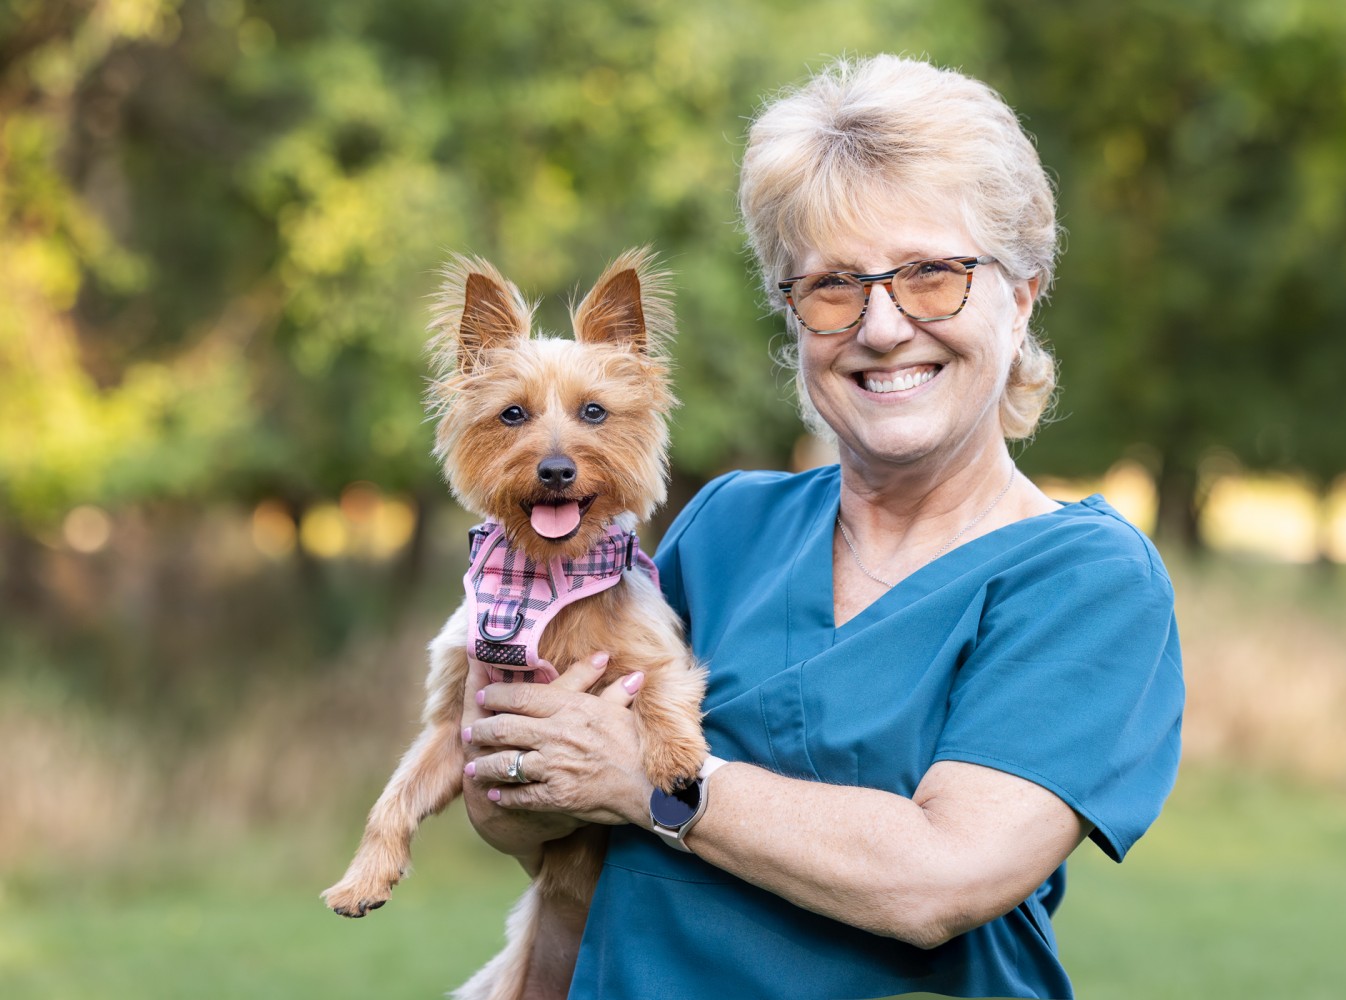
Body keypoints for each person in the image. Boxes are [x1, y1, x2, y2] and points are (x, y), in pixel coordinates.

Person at [459, 54, 1183, 1000]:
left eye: (932, 274)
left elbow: (941, 877)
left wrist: (652, 783)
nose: (881, 327)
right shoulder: (724, 527)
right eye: (833, 286)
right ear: (794, 318)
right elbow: (531, 818)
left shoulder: (1084, 579)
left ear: (1023, 295)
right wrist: (512, 762)